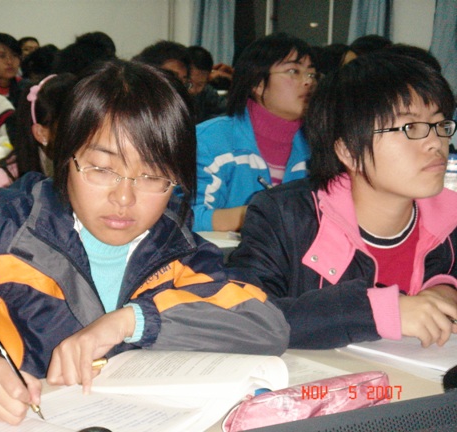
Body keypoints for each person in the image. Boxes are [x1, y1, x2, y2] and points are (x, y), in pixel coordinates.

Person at [0, 59, 289, 424]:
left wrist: (130, 321)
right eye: (101, 169)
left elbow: (264, 323)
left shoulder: (175, 246)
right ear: (65, 158)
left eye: (152, 176)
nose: (124, 198)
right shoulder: (9, 232)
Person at [228, 51, 457, 349]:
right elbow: (244, 319)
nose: (435, 143)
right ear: (349, 151)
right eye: (410, 128)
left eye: (440, 125)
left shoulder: (450, 219)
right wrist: (377, 312)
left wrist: (446, 289)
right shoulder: (284, 216)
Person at [193, 33, 316, 232]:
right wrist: (260, 214)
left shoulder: (318, 146)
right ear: (257, 83)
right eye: (293, 71)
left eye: (311, 74)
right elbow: (186, 217)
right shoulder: (209, 140)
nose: (307, 81)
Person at [187, 45, 227, 123]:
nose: (193, 90)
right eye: (188, 83)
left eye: (199, 85)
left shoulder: (207, 92)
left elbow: (229, 111)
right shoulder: (172, 92)